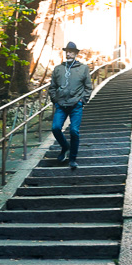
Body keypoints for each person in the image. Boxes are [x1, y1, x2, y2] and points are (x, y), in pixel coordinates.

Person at [48, 41, 93, 170]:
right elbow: (52, 87)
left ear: (76, 53)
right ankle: (65, 147)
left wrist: (82, 100)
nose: (69, 54)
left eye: (71, 52)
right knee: (56, 128)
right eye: (67, 51)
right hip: (61, 104)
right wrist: (55, 100)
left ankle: (72, 158)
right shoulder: (58, 69)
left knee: (74, 131)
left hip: (76, 104)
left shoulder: (83, 68)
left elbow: (88, 87)